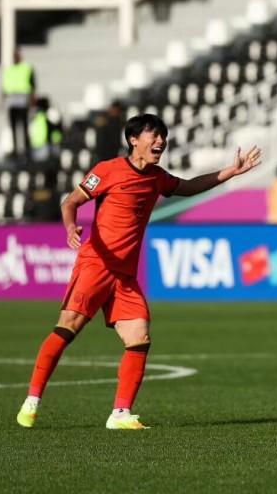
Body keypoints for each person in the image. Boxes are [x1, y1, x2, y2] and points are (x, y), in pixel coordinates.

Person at [16, 114, 262, 430]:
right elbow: (70, 202)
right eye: (154, 135)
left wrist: (231, 171)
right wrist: (69, 228)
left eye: (163, 136)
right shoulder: (107, 170)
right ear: (134, 140)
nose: (161, 141)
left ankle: (120, 413)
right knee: (68, 328)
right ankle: (32, 400)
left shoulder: (157, 177)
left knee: (139, 336)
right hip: (96, 264)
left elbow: (188, 187)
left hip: (125, 275)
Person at [1, 50, 36, 160]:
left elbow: (32, 85)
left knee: (24, 127)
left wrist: (31, 100)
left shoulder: (26, 68)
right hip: (12, 102)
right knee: (14, 128)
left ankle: (27, 151)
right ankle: (15, 151)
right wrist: (2, 102)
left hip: (23, 101)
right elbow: (5, 87)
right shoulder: (9, 70)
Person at [29, 97, 61, 162]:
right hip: (44, 148)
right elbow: (55, 134)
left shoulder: (34, 117)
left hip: (34, 148)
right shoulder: (48, 117)